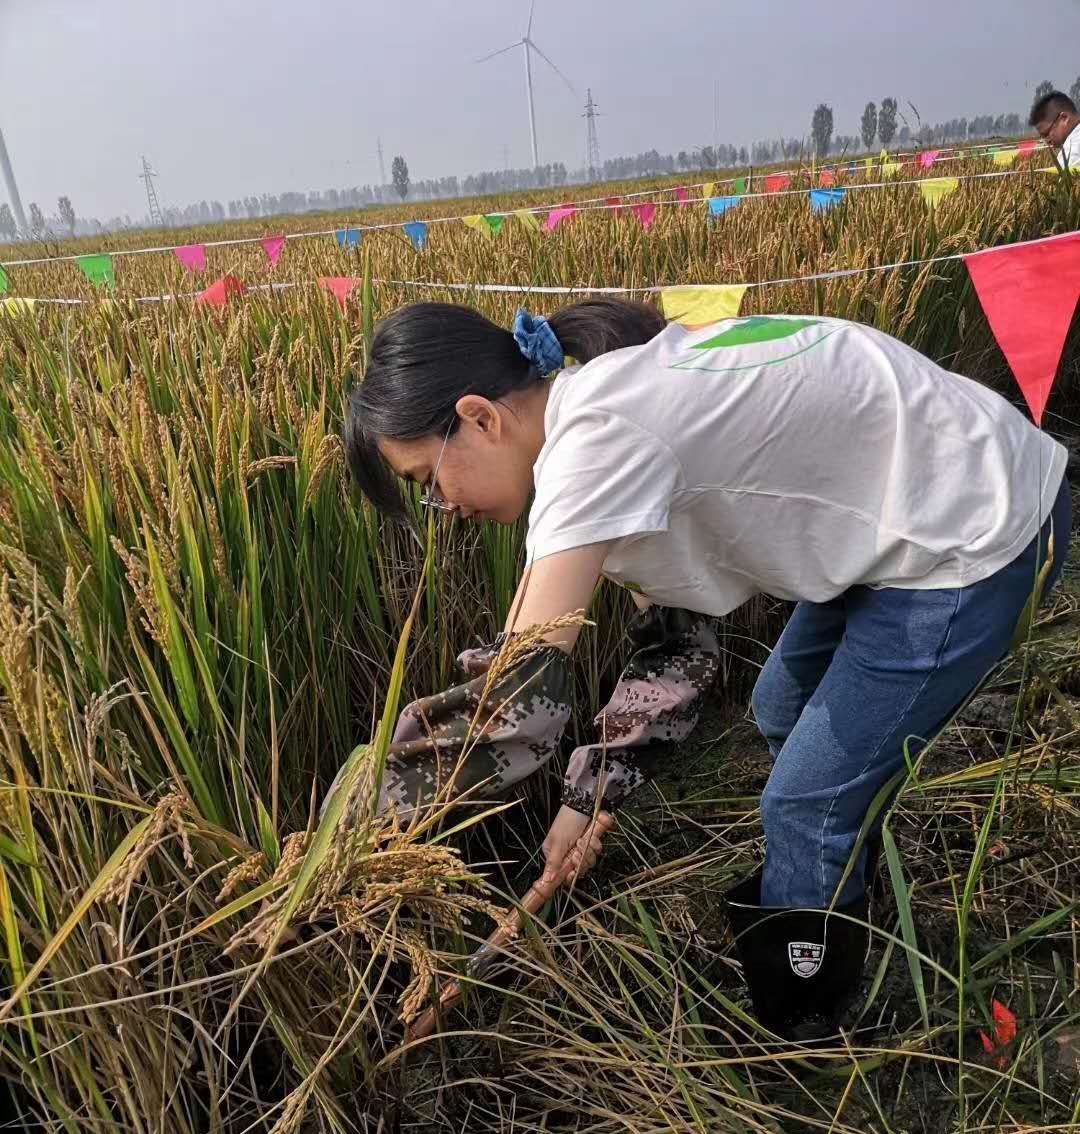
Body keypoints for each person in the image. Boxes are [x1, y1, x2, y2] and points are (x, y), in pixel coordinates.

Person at [341, 298, 1069, 1040]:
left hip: (975, 530)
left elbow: (513, 699)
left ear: (479, 417)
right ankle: (843, 894)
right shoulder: (602, 404)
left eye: (428, 480)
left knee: (803, 804)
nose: (445, 507)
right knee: (781, 709)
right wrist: (589, 796)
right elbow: (676, 645)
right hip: (912, 509)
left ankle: (814, 1027)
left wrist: (352, 843)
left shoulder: (593, 444)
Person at [1029, 90, 1080, 170]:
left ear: (1064, 118)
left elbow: (1066, 181)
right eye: (1042, 137)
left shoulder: (1071, 152)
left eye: (1046, 134)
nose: (1046, 141)